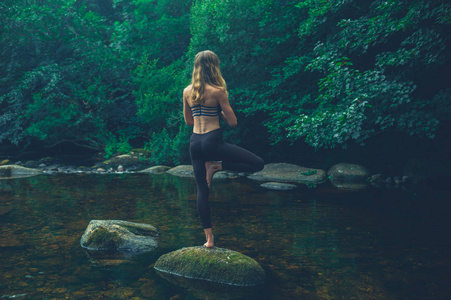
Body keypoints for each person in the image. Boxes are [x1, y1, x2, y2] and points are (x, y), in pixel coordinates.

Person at [183, 50, 264, 248]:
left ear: (196, 68)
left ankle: (209, 239)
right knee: (258, 164)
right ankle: (217, 166)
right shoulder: (218, 91)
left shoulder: (187, 91)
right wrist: (218, 112)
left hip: (195, 143)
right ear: (214, 66)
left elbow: (188, 121)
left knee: (202, 191)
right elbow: (233, 122)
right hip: (213, 141)